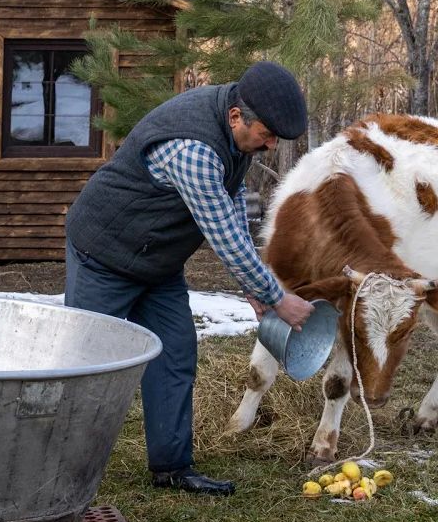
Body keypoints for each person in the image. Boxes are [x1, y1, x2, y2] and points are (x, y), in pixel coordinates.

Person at [64, 61, 316, 497]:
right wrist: (278, 298)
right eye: (268, 135)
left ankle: (172, 468)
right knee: (88, 366)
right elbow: (222, 236)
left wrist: (252, 287)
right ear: (238, 117)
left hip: (156, 263)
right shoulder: (193, 148)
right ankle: (61, 472)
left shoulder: (234, 126)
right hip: (103, 254)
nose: (271, 145)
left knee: (175, 356)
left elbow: (234, 199)